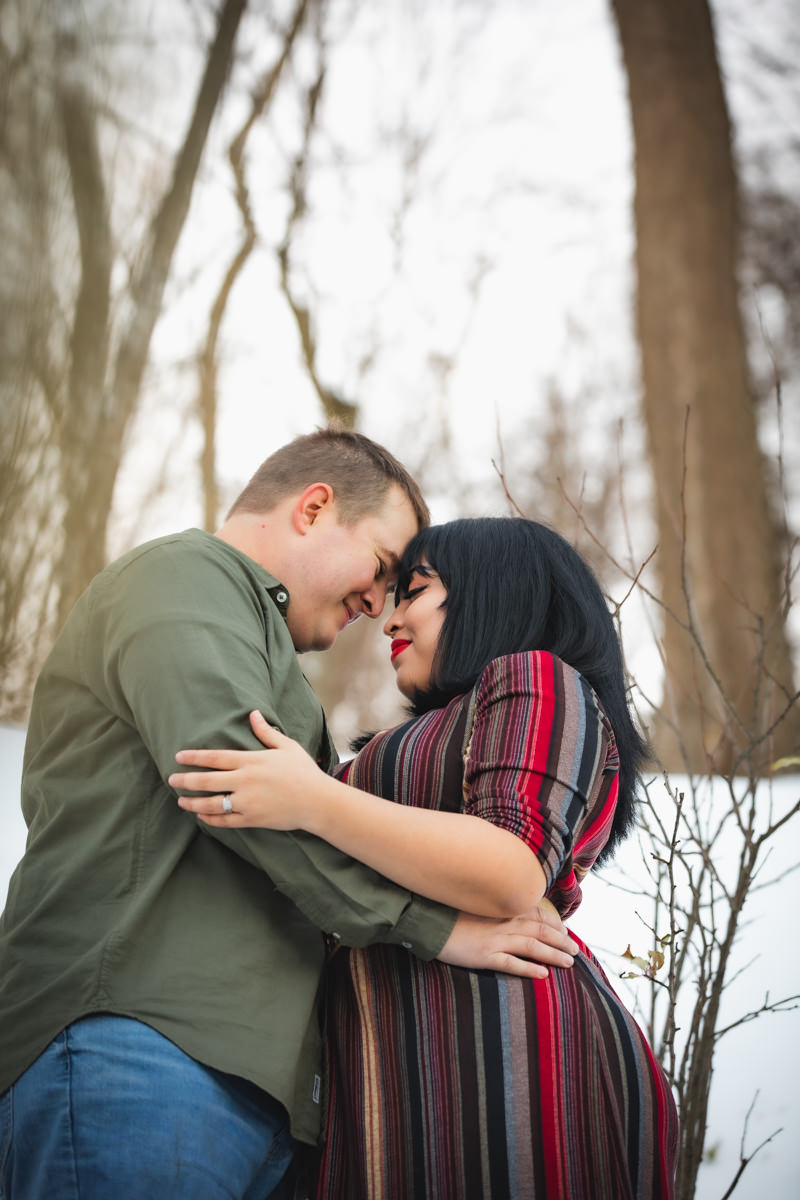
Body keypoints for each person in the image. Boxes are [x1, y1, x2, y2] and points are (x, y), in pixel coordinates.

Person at [0, 436, 575, 1200]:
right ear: (312, 509)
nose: (379, 606)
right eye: (380, 567)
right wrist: (435, 926)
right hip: (135, 1050)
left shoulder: (274, 669)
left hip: (260, 1107)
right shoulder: (182, 577)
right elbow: (233, 788)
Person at [172, 517, 680, 1200]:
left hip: (507, 1050)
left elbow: (510, 867)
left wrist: (315, 799)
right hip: (383, 1071)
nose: (388, 618)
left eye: (415, 590)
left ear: (494, 591)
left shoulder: (535, 676)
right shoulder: (423, 731)